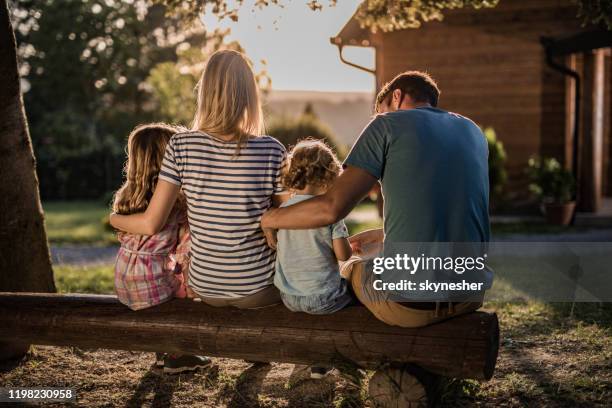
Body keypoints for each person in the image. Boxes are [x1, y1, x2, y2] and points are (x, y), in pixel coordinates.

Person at [262, 71, 491, 328]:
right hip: (470, 294)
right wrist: (385, 236)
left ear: (397, 96)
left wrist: (271, 217)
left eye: (381, 110)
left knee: (349, 268)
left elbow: (331, 208)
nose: (379, 117)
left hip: (411, 305)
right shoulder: (472, 131)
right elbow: (448, 210)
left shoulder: (386, 125)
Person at [110, 50, 287, 310]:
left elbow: (150, 223)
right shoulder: (271, 149)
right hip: (258, 286)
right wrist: (270, 218)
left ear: (205, 92)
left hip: (206, 286)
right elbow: (296, 214)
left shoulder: (180, 145)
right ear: (250, 94)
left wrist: (113, 219)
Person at [112, 122, 210, 373]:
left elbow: (123, 231)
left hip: (125, 280)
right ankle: (178, 355)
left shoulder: (127, 194)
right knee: (186, 292)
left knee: (168, 279)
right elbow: (185, 251)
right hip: (152, 282)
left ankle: (160, 352)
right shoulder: (176, 200)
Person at [271, 140, 353, 378]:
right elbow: (343, 256)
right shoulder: (330, 211)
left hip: (289, 295)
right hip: (322, 297)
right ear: (330, 174)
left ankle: (311, 355)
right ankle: (325, 359)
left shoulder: (285, 210)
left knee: (314, 303)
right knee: (354, 294)